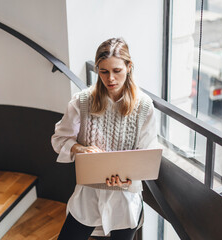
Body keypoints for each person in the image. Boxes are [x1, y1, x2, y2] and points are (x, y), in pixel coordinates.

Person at [52, 37, 157, 240]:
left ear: (129, 67)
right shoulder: (81, 102)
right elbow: (59, 139)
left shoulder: (144, 107)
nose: (110, 79)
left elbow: (147, 154)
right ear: (97, 70)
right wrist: (78, 149)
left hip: (125, 199)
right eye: (104, 71)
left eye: (117, 71)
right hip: (88, 195)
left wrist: (128, 178)